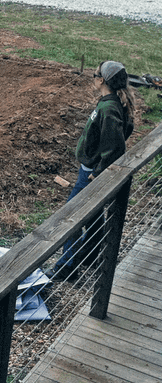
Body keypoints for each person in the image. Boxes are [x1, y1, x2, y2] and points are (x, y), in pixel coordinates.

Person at [52, 60, 135, 279]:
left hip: (90, 174)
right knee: (93, 216)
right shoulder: (112, 103)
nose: (93, 78)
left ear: (102, 80)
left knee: (71, 216)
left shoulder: (108, 108)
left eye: (95, 74)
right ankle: (89, 257)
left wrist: (97, 172)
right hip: (90, 169)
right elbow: (127, 129)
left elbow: (115, 147)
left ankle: (66, 267)